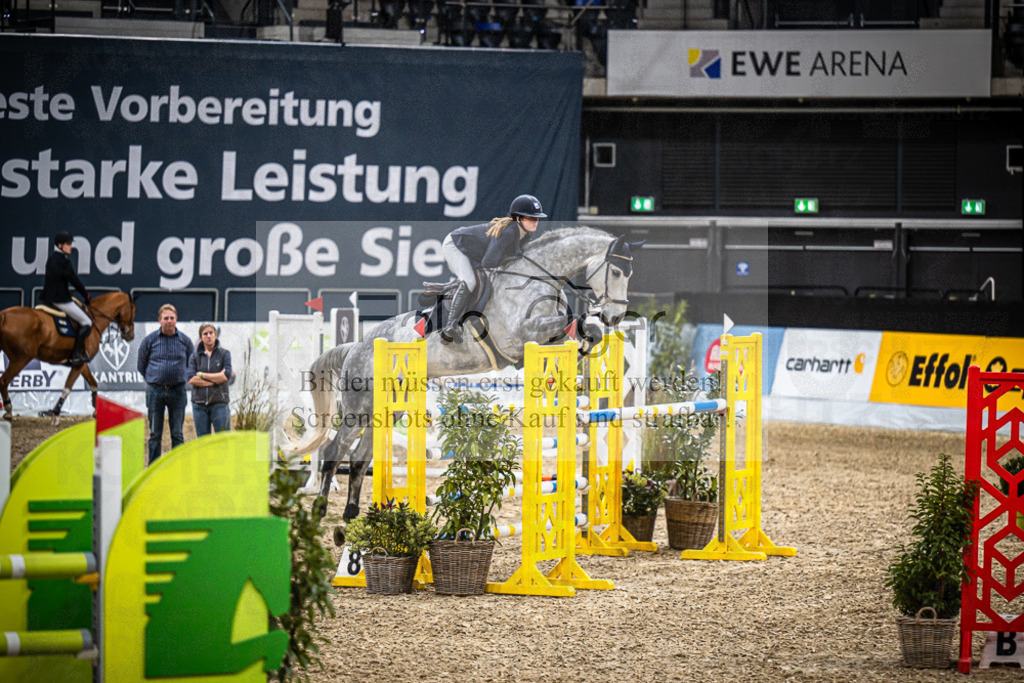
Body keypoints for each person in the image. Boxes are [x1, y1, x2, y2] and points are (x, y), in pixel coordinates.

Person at [439, 194, 547, 344]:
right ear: (518, 219)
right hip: (455, 245)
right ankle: (451, 325)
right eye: (530, 218)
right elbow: (488, 263)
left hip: (473, 253)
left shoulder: (525, 234)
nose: (535, 222)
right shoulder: (508, 233)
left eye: (537, 218)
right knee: (470, 281)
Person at [137, 304, 193, 464]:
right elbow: (141, 364)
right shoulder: (149, 340)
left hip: (178, 391)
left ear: (176, 320)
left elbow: (192, 363)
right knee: (155, 432)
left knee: (177, 433)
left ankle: (177, 465)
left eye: (172, 318)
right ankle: (154, 467)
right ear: (159, 320)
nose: (169, 321)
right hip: (155, 391)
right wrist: (153, 378)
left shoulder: (185, 341)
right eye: (165, 318)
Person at [42, 231, 92, 364]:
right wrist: (86, 295)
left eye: (70, 244)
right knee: (87, 322)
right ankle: (75, 354)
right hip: (60, 300)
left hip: (47, 298)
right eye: (68, 244)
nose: (70, 247)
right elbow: (75, 281)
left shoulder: (51, 258)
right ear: (60, 245)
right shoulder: (64, 262)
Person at [187, 323, 233, 436]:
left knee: (223, 440)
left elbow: (226, 376)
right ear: (201, 337)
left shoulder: (225, 354)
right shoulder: (194, 356)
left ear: (216, 335)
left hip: (220, 404)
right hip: (199, 405)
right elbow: (191, 378)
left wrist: (203, 375)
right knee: (203, 442)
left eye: (211, 333)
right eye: (205, 333)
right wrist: (216, 380)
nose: (208, 336)